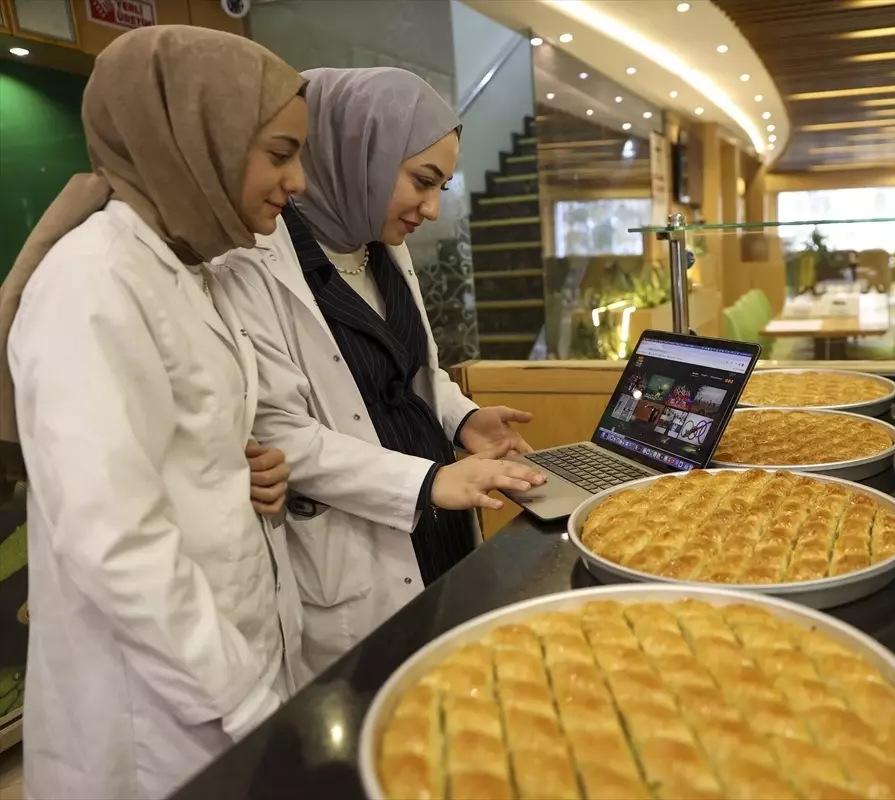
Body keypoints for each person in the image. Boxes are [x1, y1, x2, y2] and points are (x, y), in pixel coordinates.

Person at [0, 26, 310, 799]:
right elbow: (114, 539)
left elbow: (172, 449)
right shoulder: (94, 284)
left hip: (219, 667)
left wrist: (236, 469)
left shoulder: (186, 263)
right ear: (193, 135)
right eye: (279, 153)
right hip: (154, 716)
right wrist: (241, 697)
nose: (298, 181)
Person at [217, 67, 543, 672]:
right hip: (361, 548)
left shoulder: (383, 247)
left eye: (443, 185)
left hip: (440, 519)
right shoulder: (253, 262)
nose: (432, 207)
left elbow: (416, 371)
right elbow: (278, 430)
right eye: (422, 181)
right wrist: (423, 484)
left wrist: (463, 416)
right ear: (354, 152)